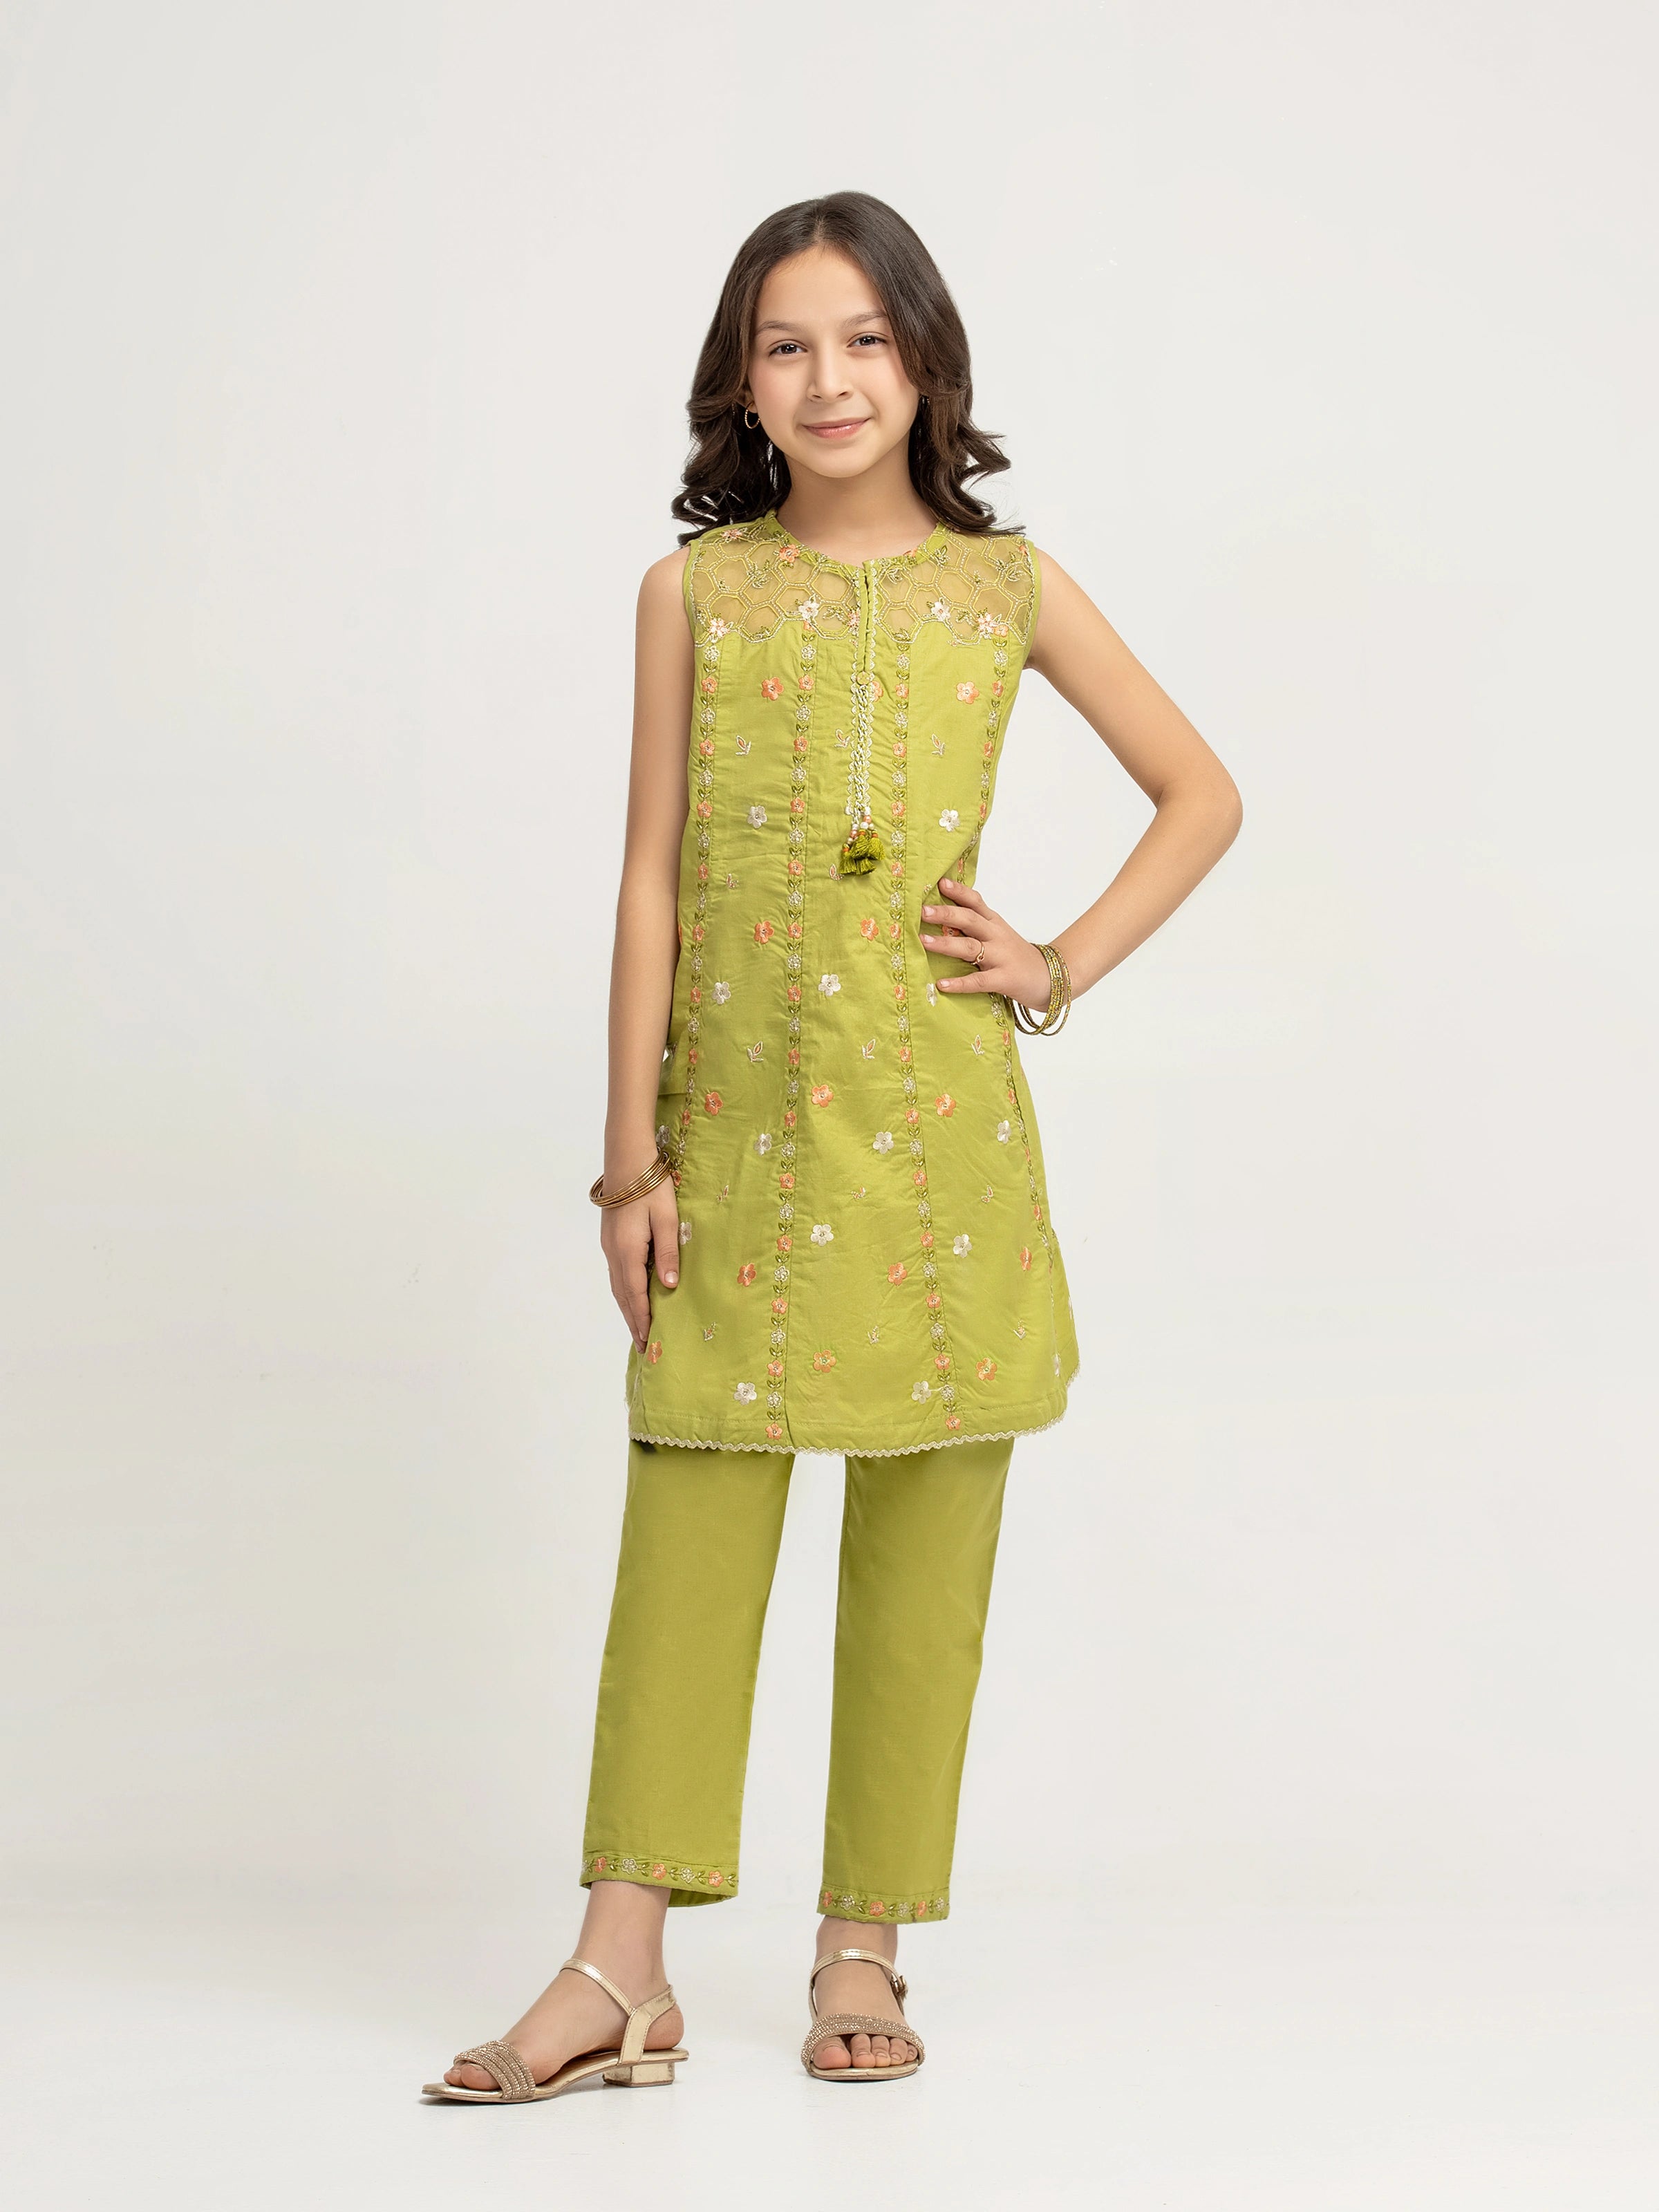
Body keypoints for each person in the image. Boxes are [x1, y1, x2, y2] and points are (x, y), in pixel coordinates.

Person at [424, 190, 1241, 2105]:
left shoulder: (1006, 587)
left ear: (928, 362)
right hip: (730, 1136)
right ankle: (619, 1967)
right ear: (741, 382)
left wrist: (1055, 964)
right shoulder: (694, 593)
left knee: (926, 1540)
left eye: (866, 339)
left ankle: (862, 1946)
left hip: (941, 1140)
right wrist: (629, 1164)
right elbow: (648, 876)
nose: (831, 378)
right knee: (689, 1521)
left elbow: (1200, 793)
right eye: (787, 345)